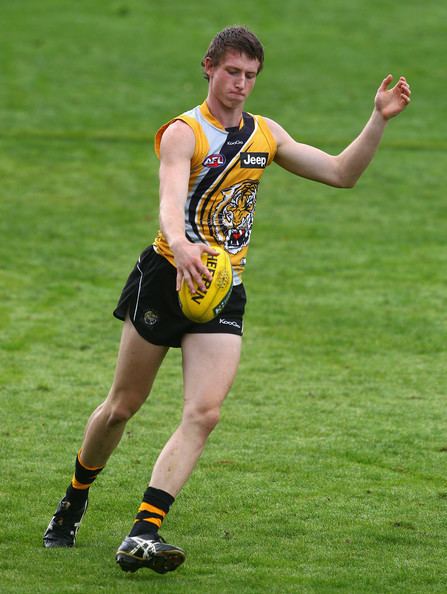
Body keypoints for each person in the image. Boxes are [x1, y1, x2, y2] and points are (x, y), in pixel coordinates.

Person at [43, 26, 411, 574]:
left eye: (250, 76)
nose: (241, 85)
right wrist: (186, 245)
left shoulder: (265, 135)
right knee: (122, 407)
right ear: (209, 67)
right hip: (168, 278)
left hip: (222, 289)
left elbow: (341, 173)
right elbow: (169, 201)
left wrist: (377, 120)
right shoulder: (183, 133)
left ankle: (144, 531)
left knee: (205, 412)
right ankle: (74, 499)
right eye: (232, 72)